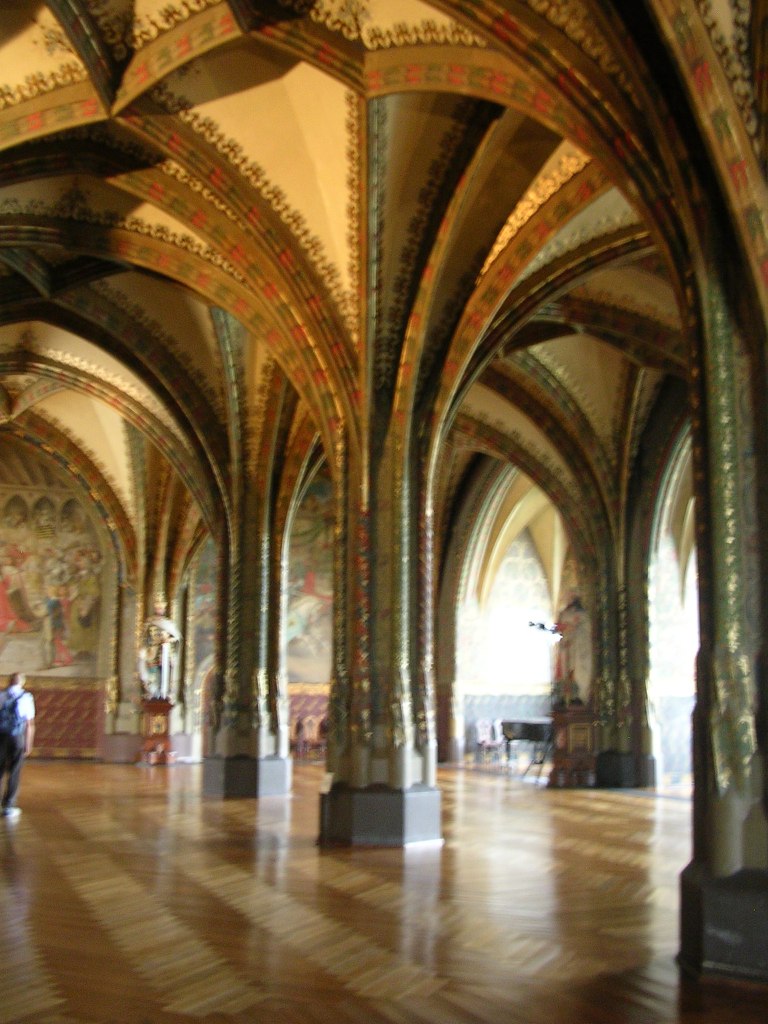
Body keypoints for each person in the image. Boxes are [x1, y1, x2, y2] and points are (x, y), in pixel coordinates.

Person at [0, 672, 35, 819]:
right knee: (14, 771)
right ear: (22, 683)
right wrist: (28, 744)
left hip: (1, 736)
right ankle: (9, 806)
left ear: (9, 681)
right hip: (17, 738)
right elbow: (29, 724)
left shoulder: (1, 695)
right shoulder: (26, 697)